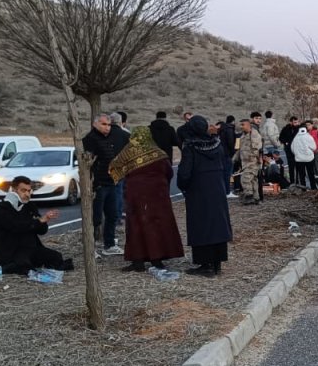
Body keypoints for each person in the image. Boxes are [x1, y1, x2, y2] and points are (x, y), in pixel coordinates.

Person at [110, 127, 186, 272]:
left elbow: (114, 169)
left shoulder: (127, 153)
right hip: (158, 195)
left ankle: (137, 260)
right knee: (157, 225)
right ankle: (157, 259)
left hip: (136, 195)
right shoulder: (159, 152)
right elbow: (169, 172)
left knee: (136, 226)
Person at [177, 115, 233, 277]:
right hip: (217, 188)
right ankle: (217, 263)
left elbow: (184, 173)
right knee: (217, 223)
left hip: (198, 189)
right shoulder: (217, 144)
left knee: (201, 224)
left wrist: (184, 186)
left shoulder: (190, 146)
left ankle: (205, 264)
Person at [0, 176, 73, 275]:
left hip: (29, 248)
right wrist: (38, 221)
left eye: (29, 191)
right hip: (10, 251)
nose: (27, 194)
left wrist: (44, 221)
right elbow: (16, 227)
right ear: (13, 190)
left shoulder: (29, 206)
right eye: (23, 190)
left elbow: (42, 231)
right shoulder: (1, 209)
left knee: (56, 257)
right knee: (22, 265)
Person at [82, 113, 130, 254]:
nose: (107, 127)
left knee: (113, 214)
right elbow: (87, 163)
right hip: (98, 184)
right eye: (104, 124)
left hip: (112, 182)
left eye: (109, 124)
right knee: (95, 217)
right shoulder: (90, 140)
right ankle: (92, 247)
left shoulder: (110, 138)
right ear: (95, 124)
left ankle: (109, 244)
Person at [237, 118, 264, 205]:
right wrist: (234, 159)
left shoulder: (254, 134)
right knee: (253, 180)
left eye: (243, 125)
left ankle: (249, 196)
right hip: (245, 162)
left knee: (245, 179)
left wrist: (255, 160)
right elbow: (240, 149)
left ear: (248, 125)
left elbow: (257, 148)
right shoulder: (243, 136)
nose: (241, 127)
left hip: (251, 161)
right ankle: (256, 198)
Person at [219, 116, 238, 198]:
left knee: (223, 173)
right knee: (228, 173)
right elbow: (230, 142)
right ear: (233, 121)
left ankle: (223, 191)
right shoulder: (229, 129)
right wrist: (233, 152)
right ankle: (227, 192)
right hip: (227, 154)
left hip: (221, 153)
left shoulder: (222, 128)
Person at [280, 116, 301, 186]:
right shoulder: (286, 129)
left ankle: (298, 182)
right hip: (289, 150)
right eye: (295, 122)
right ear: (291, 122)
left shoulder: (299, 129)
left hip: (298, 150)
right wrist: (285, 142)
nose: (296, 123)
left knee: (298, 167)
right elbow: (281, 138)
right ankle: (292, 182)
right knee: (291, 166)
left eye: (297, 122)